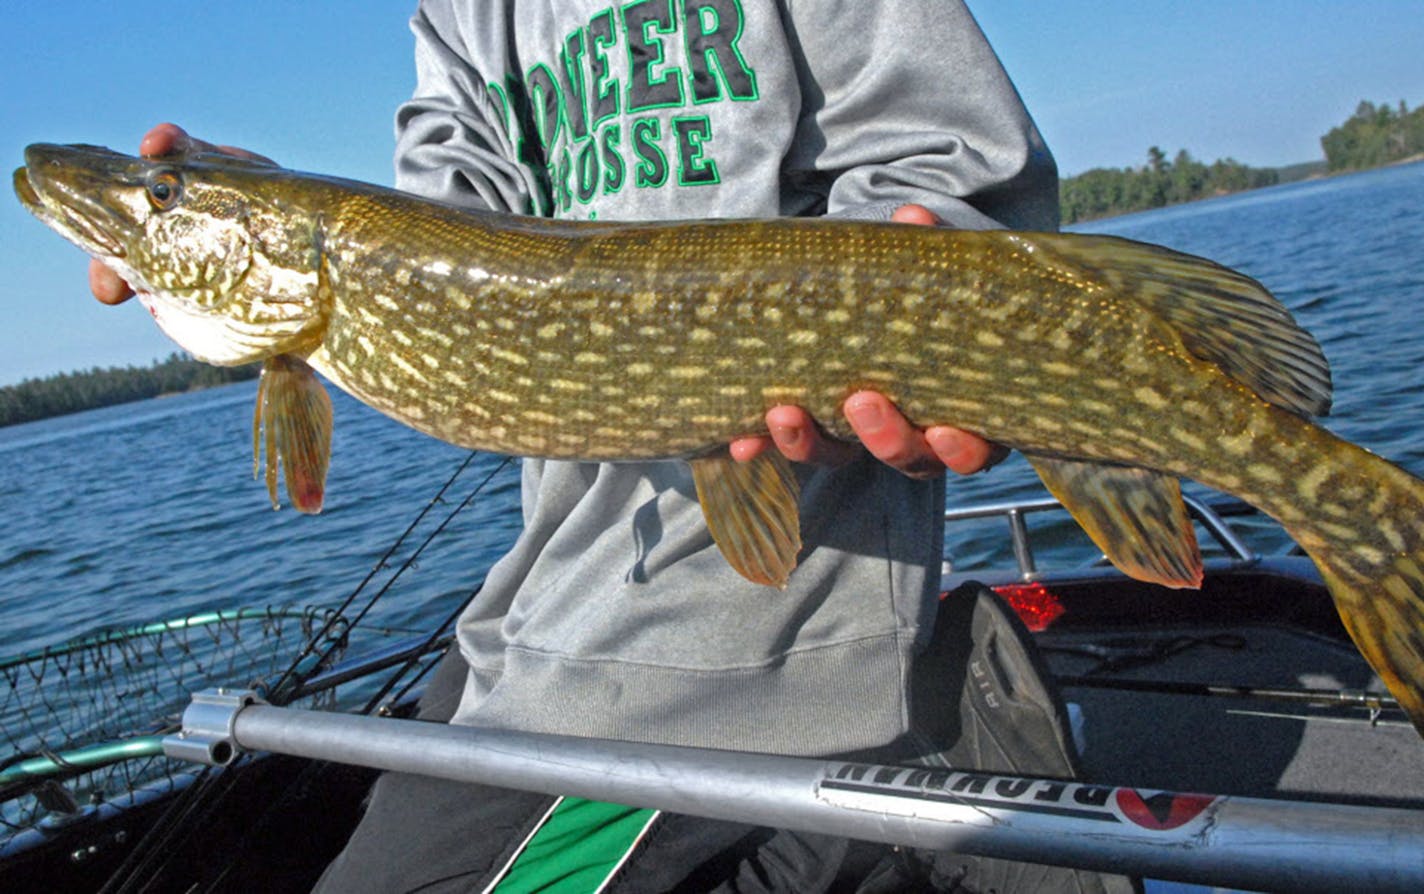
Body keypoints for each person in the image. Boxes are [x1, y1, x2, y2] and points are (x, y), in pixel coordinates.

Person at [93, 2, 1132, 890]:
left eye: (158, 204)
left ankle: (896, 794)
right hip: (535, 623)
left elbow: (950, 169)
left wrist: (923, 280)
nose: (142, 211)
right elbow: (447, 232)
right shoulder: (464, 13)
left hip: (746, 667)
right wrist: (266, 207)